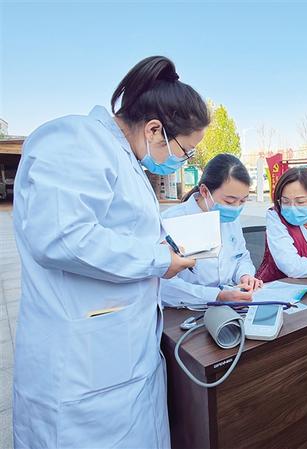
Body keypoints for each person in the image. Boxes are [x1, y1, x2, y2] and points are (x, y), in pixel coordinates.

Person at [12, 56, 209, 448]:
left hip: (121, 358)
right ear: (155, 129)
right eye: (186, 151)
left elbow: (115, 235)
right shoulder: (76, 139)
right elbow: (61, 236)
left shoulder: (126, 160)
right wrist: (158, 260)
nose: (182, 161)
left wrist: (160, 250)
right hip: (81, 370)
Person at [160, 154, 262, 307]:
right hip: (186, 309)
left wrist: (245, 275)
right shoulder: (171, 221)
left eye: (243, 201)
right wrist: (216, 296)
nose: (236, 208)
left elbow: (241, 256)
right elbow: (164, 285)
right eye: (229, 201)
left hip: (232, 302)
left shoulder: (230, 220)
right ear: (205, 191)